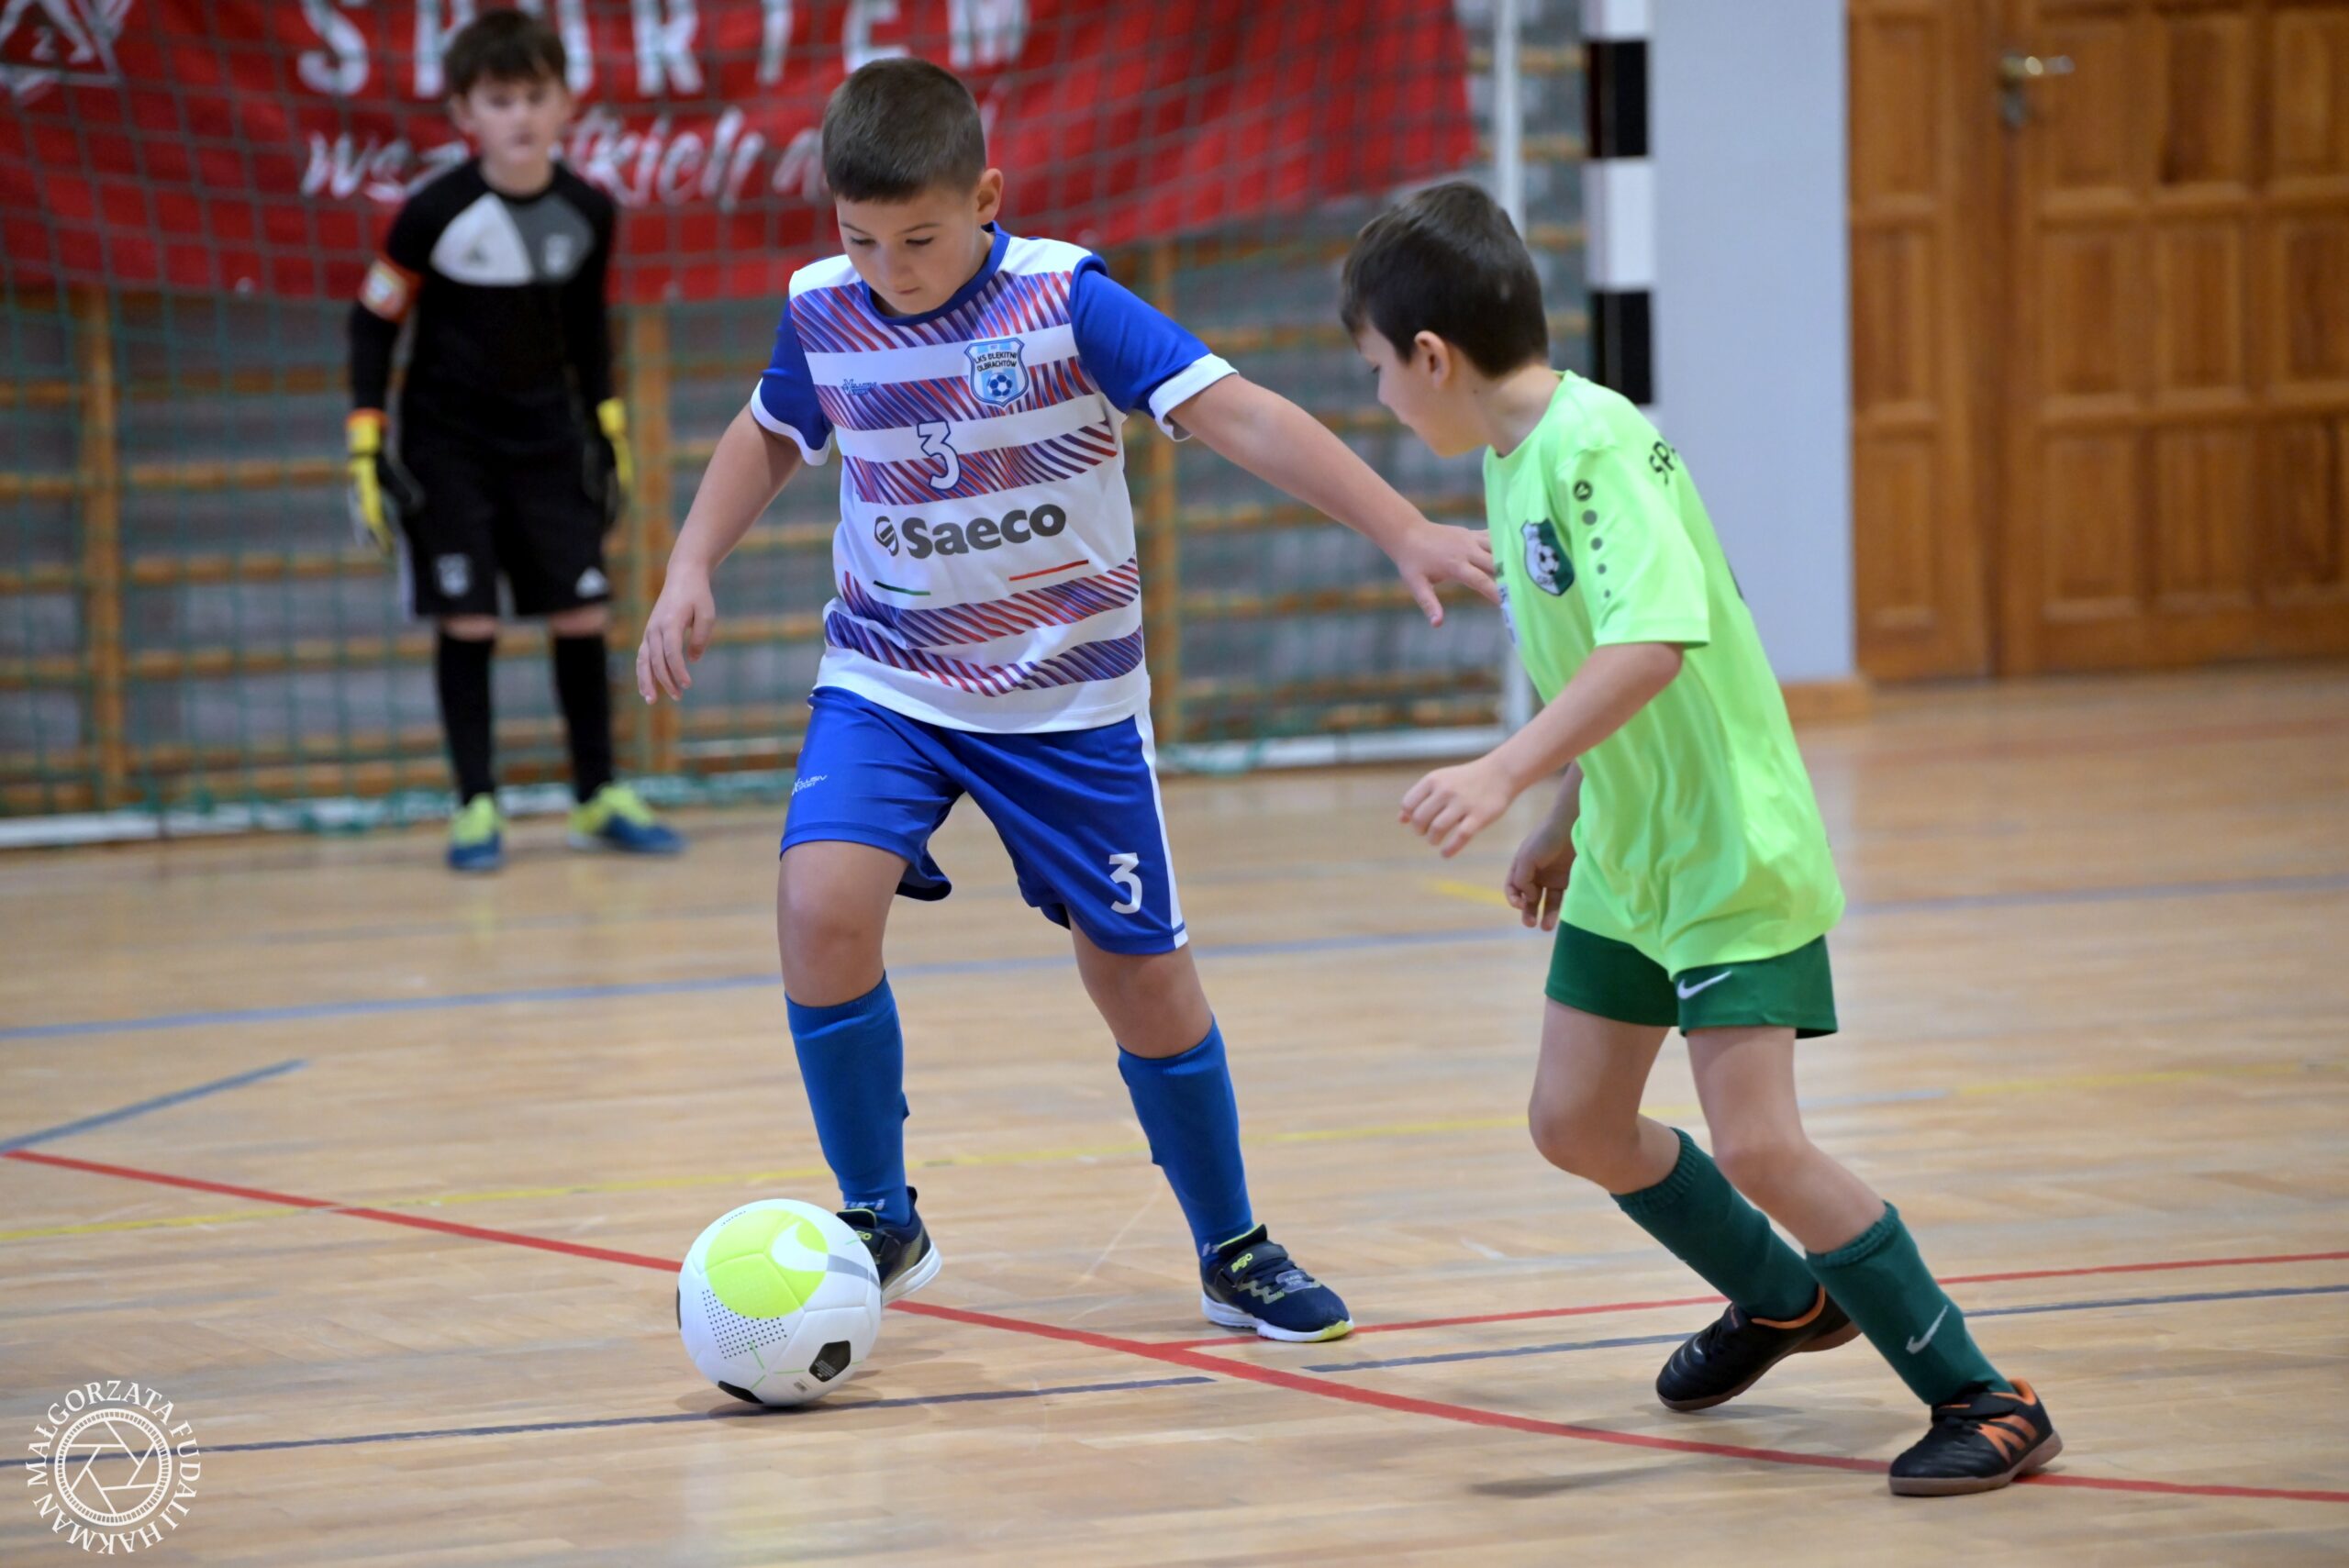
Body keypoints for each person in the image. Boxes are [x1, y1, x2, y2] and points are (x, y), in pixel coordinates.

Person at [637, 59, 1497, 1342]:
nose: (890, 269)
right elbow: (770, 430)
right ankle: (880, 1214)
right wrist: (690, 564)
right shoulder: (822, 309)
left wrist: (1400, 525)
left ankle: (1233, 1246)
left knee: (1140, 981)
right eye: (861, 238)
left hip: (1067, 705)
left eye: (920, 239)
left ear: (987, 198)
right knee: (819, 907)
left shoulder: (1067, 300)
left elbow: (1245, 416)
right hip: (888, 679)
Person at [1343, 181, 2059, 1495]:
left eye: (1378, 369)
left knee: (1762, 1146)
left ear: (1431, 356)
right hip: (1631, 847)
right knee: (1575, 1120)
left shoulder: (1595, 447)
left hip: (1728, 848)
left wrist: (1504, 769)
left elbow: (1654, 646)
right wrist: (1568, 812)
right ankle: (1785, 1298)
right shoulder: (1512, 461)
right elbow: (1598, 662)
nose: (1381, 397)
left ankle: (1985, 1393)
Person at [346, 8, 682, 872]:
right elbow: (374, 322)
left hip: (548, 443)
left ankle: (597, 794)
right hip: (447, 449)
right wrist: (366, 438)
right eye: (500, 100)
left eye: (535, 96)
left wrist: (607, 426)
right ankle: (475, 804)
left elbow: (588, 331)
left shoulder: (589, 210)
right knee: (469, 620)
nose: (521, 116)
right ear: (466, 112)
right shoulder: (431, 213)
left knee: (583, 611)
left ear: (567, 102)